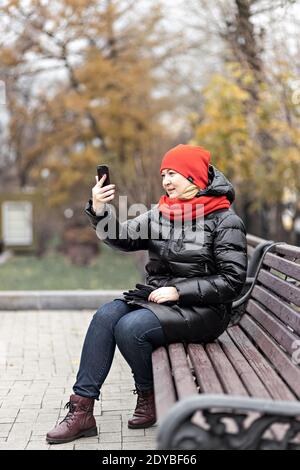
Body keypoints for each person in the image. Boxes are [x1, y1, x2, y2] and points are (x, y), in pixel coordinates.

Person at [46, 144, 247, 444]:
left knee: (131, 328)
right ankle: (82, 410)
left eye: (173, 173)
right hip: (159, 299)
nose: (165, 180)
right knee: (105, 317)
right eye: (163, 174)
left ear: (193, 177)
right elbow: (121, 238)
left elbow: (232, 281)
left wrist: (178, 291)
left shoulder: (225, 221)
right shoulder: (161, 213)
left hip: (207, 310)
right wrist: (100, 211)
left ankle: (147, 394)